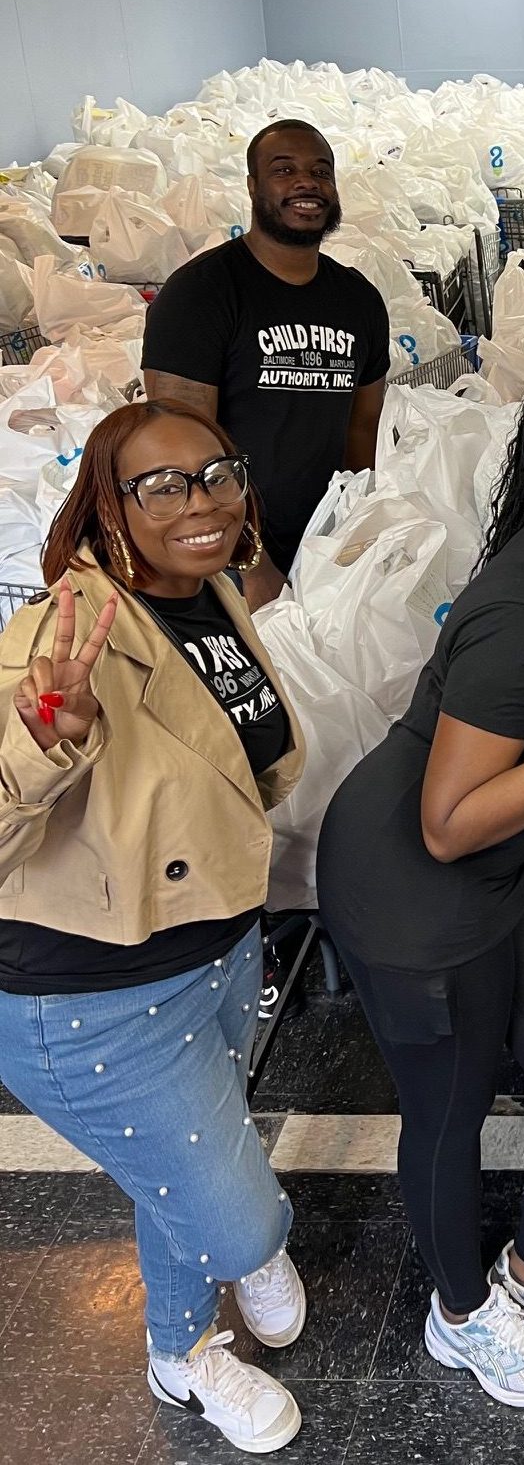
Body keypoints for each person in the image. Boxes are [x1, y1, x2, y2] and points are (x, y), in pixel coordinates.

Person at [316, 373, 524, 1408]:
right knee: (449, 1110)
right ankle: (459, 1312)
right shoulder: (517, 614)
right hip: (416, 883)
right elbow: (445, 819)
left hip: (508, 859)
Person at [0, 400, 309, 1455]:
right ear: (108, 504)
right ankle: (252, 1241)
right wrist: (53, 736)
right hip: (88, 998)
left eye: (217, 472)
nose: (202, 499)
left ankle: (180, 1355)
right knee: (231, 1211)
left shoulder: (207, 591)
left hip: (210, 952)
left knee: (171, 1173)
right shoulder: (62, 630)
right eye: (162, 484)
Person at [142, 119, 390, 611]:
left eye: (321, 171)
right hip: (229, 554)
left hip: (323, 541)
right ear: (253, 186)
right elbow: (180, 448)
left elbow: (363, 430)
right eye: (284, 169)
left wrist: (358, 525)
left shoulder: (358, 299)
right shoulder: (200, 294)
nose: (307, 182)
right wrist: (246, 558)